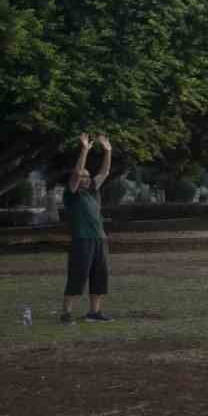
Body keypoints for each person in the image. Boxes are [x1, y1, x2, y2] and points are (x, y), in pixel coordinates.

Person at [60, 133, 113, 323]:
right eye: (84, 176)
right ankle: (66, 314)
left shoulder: (93, 191)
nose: (86, 178)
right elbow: (77, 172)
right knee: (78, 275)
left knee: (100, 275)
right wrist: (84, 150)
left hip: (99, 239)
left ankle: (94, 312)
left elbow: (105, 172)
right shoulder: (72, 194)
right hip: (82, 240)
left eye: (88, 176)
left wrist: (108, 151)